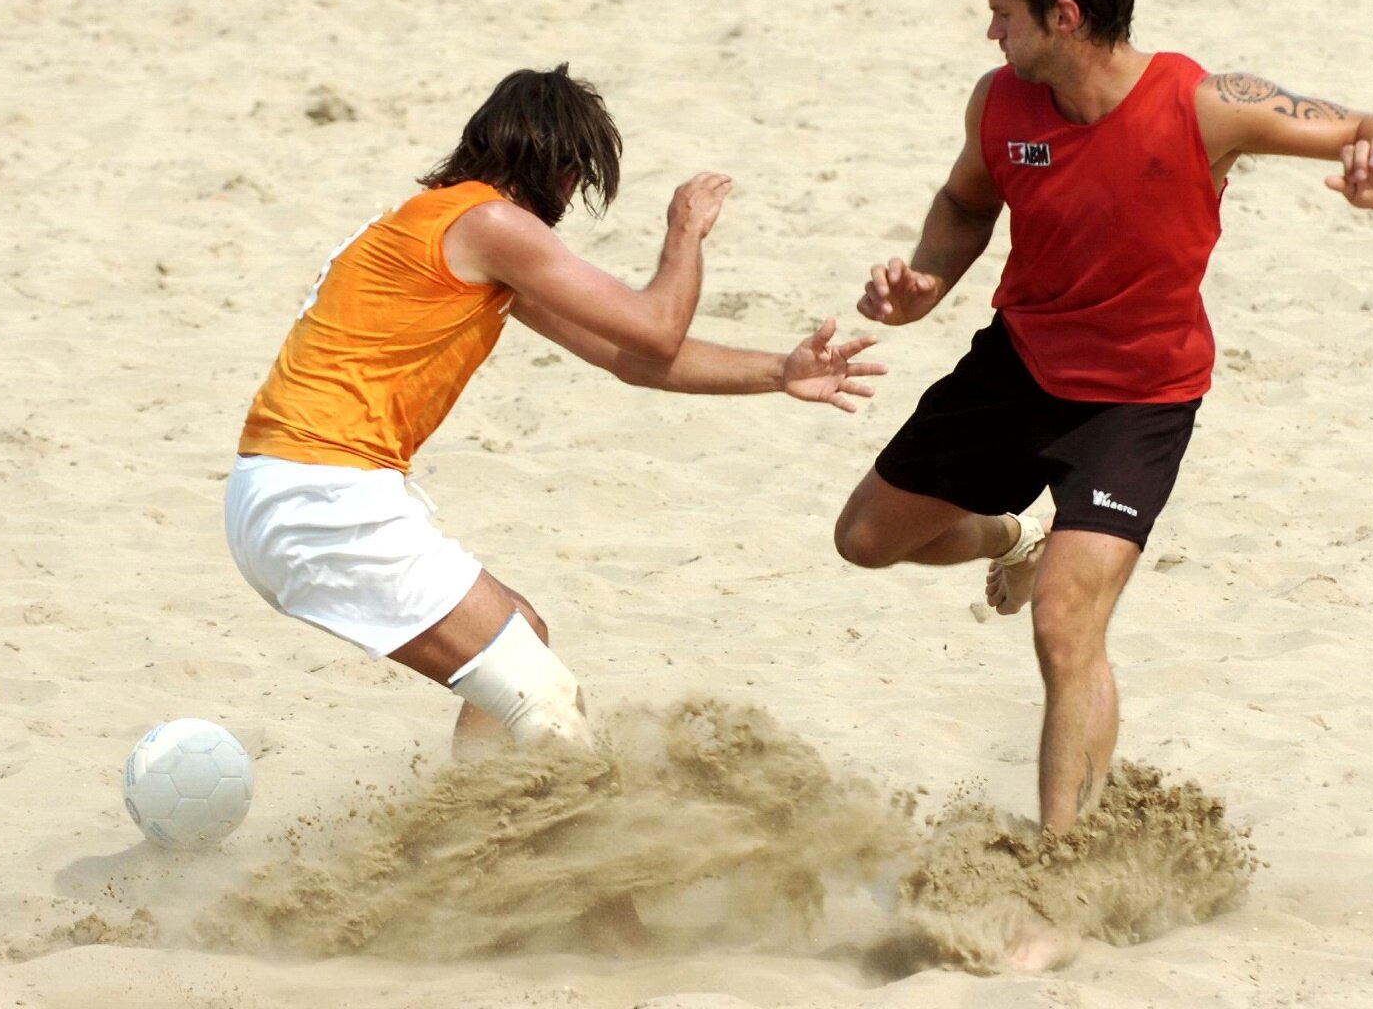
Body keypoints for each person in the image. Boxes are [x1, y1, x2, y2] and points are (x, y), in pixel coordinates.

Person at [833, 0, 1373, 843]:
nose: (992, 30)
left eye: (1005, 13)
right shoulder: (999, 100)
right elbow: (963, 200)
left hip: (1138, 404)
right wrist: (925, 284)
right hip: (1017, 366)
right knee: (863, 539)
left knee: (1066, 627)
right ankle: (1005, 539)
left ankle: (1061, 863)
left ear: (1065, 16)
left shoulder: (1204, 105)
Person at [226, 65, 884, 754]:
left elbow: (631, 356)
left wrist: (779, 372)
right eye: (579, 179)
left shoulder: (447, 227)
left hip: (285, 494)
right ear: (561, 170)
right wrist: (684, 233)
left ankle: (467, 824)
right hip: (322, 499)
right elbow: (657, 327)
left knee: (522, 634)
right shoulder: (489, 223)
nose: (572, 199)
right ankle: (501, 850)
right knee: (544, 704)